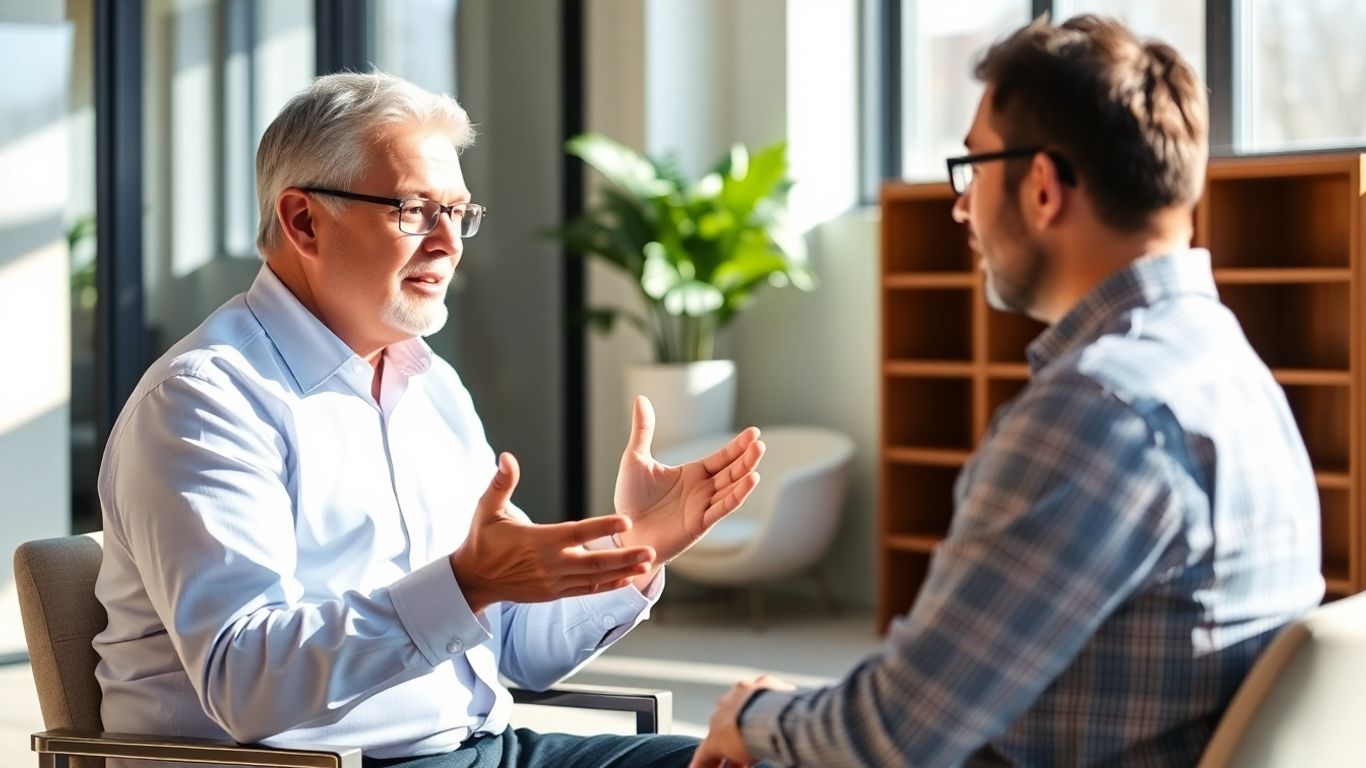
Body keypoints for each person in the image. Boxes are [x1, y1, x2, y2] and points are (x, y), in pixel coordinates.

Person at [690, 14, 1324, 768]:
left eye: (974, 169)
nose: (961, 206)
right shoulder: (1228, 368)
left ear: (1044, 188)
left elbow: (895, 733)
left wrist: (755, 716)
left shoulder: (1098, 411)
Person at [93, 71, 765, 768]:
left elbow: (518, 651)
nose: (449, 243)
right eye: (414, 209)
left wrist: (638, 552)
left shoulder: (429, 383)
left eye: (460, 213)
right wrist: (466, 583)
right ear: (303, 221)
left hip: (484, 749)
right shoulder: (206, 401)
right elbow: (244, 682)